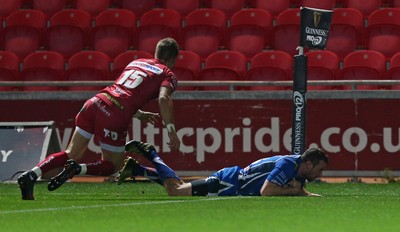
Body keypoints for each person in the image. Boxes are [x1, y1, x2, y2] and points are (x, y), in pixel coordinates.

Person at [17, 38, 181, 200]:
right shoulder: (167, 73)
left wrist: (138, 114)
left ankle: (31, 174)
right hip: (115, 115)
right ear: (173, 59)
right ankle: (78, 170)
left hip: (95, 102)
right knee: (113, 166)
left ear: (156, 53)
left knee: (70, 152)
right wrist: (171, 130)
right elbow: (163, 99)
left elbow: (122, 91)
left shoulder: (137, 62)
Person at [118, 140, 329, 197]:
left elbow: (299, 188)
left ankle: (137, 170)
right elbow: (267, 192)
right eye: (319, 169)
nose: (319, 175)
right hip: (228, 183)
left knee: (180, 185)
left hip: (232, 181)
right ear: (308, 164)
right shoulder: (287, 165)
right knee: (175, 190)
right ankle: (151, 153)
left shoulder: (298, 168)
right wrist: (293, 192)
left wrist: (306, 194)